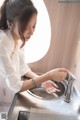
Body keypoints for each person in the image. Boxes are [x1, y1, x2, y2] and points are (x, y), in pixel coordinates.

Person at [0, 0, 67, 98]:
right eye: (26, 27)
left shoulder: (19, 38)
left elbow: (22, 68)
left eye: (33, 26)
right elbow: (16, 86)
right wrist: (48, 76)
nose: (31, 32)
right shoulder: (3, 42)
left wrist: (42, 80)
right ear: (10, 24)